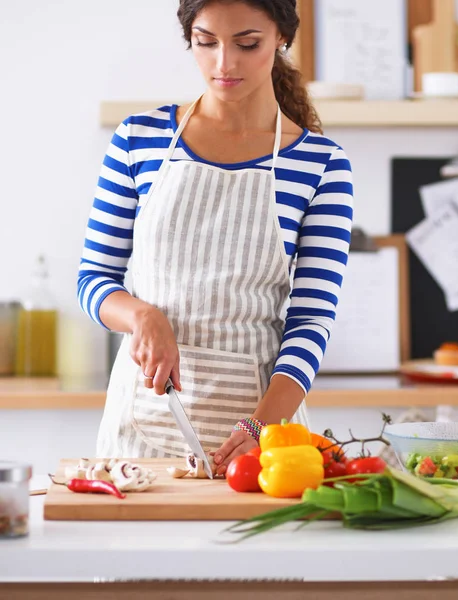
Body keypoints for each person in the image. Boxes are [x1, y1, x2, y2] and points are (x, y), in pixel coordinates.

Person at [78, 0, 354, 476]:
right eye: (206, 43)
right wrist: (142, 315)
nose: (224, 64)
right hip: (139, 426)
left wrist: (259, 429)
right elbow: (93, 278)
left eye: (248, 44)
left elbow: (310, 322)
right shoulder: (138, 138)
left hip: (264, 428)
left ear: (282, 38)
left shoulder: (322, 164)